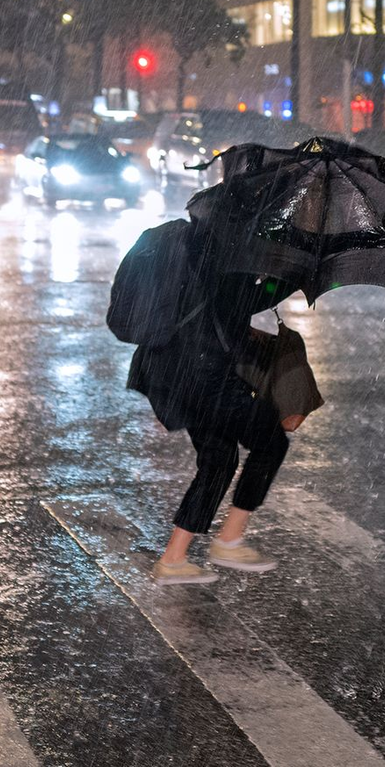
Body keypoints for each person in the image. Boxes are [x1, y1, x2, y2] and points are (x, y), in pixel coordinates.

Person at [128, 242, 292, 586]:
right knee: (271, 441)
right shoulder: (229, 257)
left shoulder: (195, 249)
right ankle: (229, 540)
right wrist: (289, 277)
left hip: (168, 371)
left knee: (219, 458)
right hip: (202, 376)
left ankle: (174, 559)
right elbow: (251, 299)